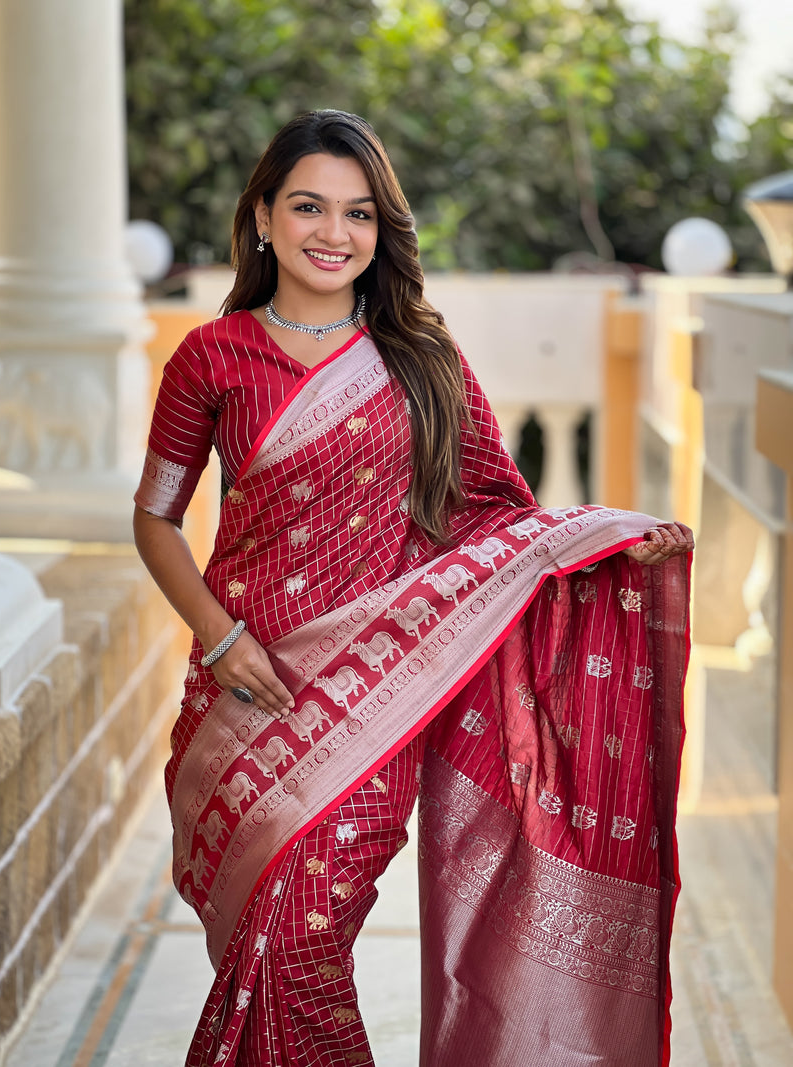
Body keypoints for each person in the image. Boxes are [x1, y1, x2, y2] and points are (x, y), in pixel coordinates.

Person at [133, 109, 694, 1067]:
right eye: (308, 206)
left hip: (371, 705)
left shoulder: (419, 361)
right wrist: (221, 637)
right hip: (237, 693)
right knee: (265, 946)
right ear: (262, 216)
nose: (333, 233)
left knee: (303, 941)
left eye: (358, 214)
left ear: (380, 231)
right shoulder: (211, 356)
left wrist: (603, 541)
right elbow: (155, 518)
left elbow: (491, 517)